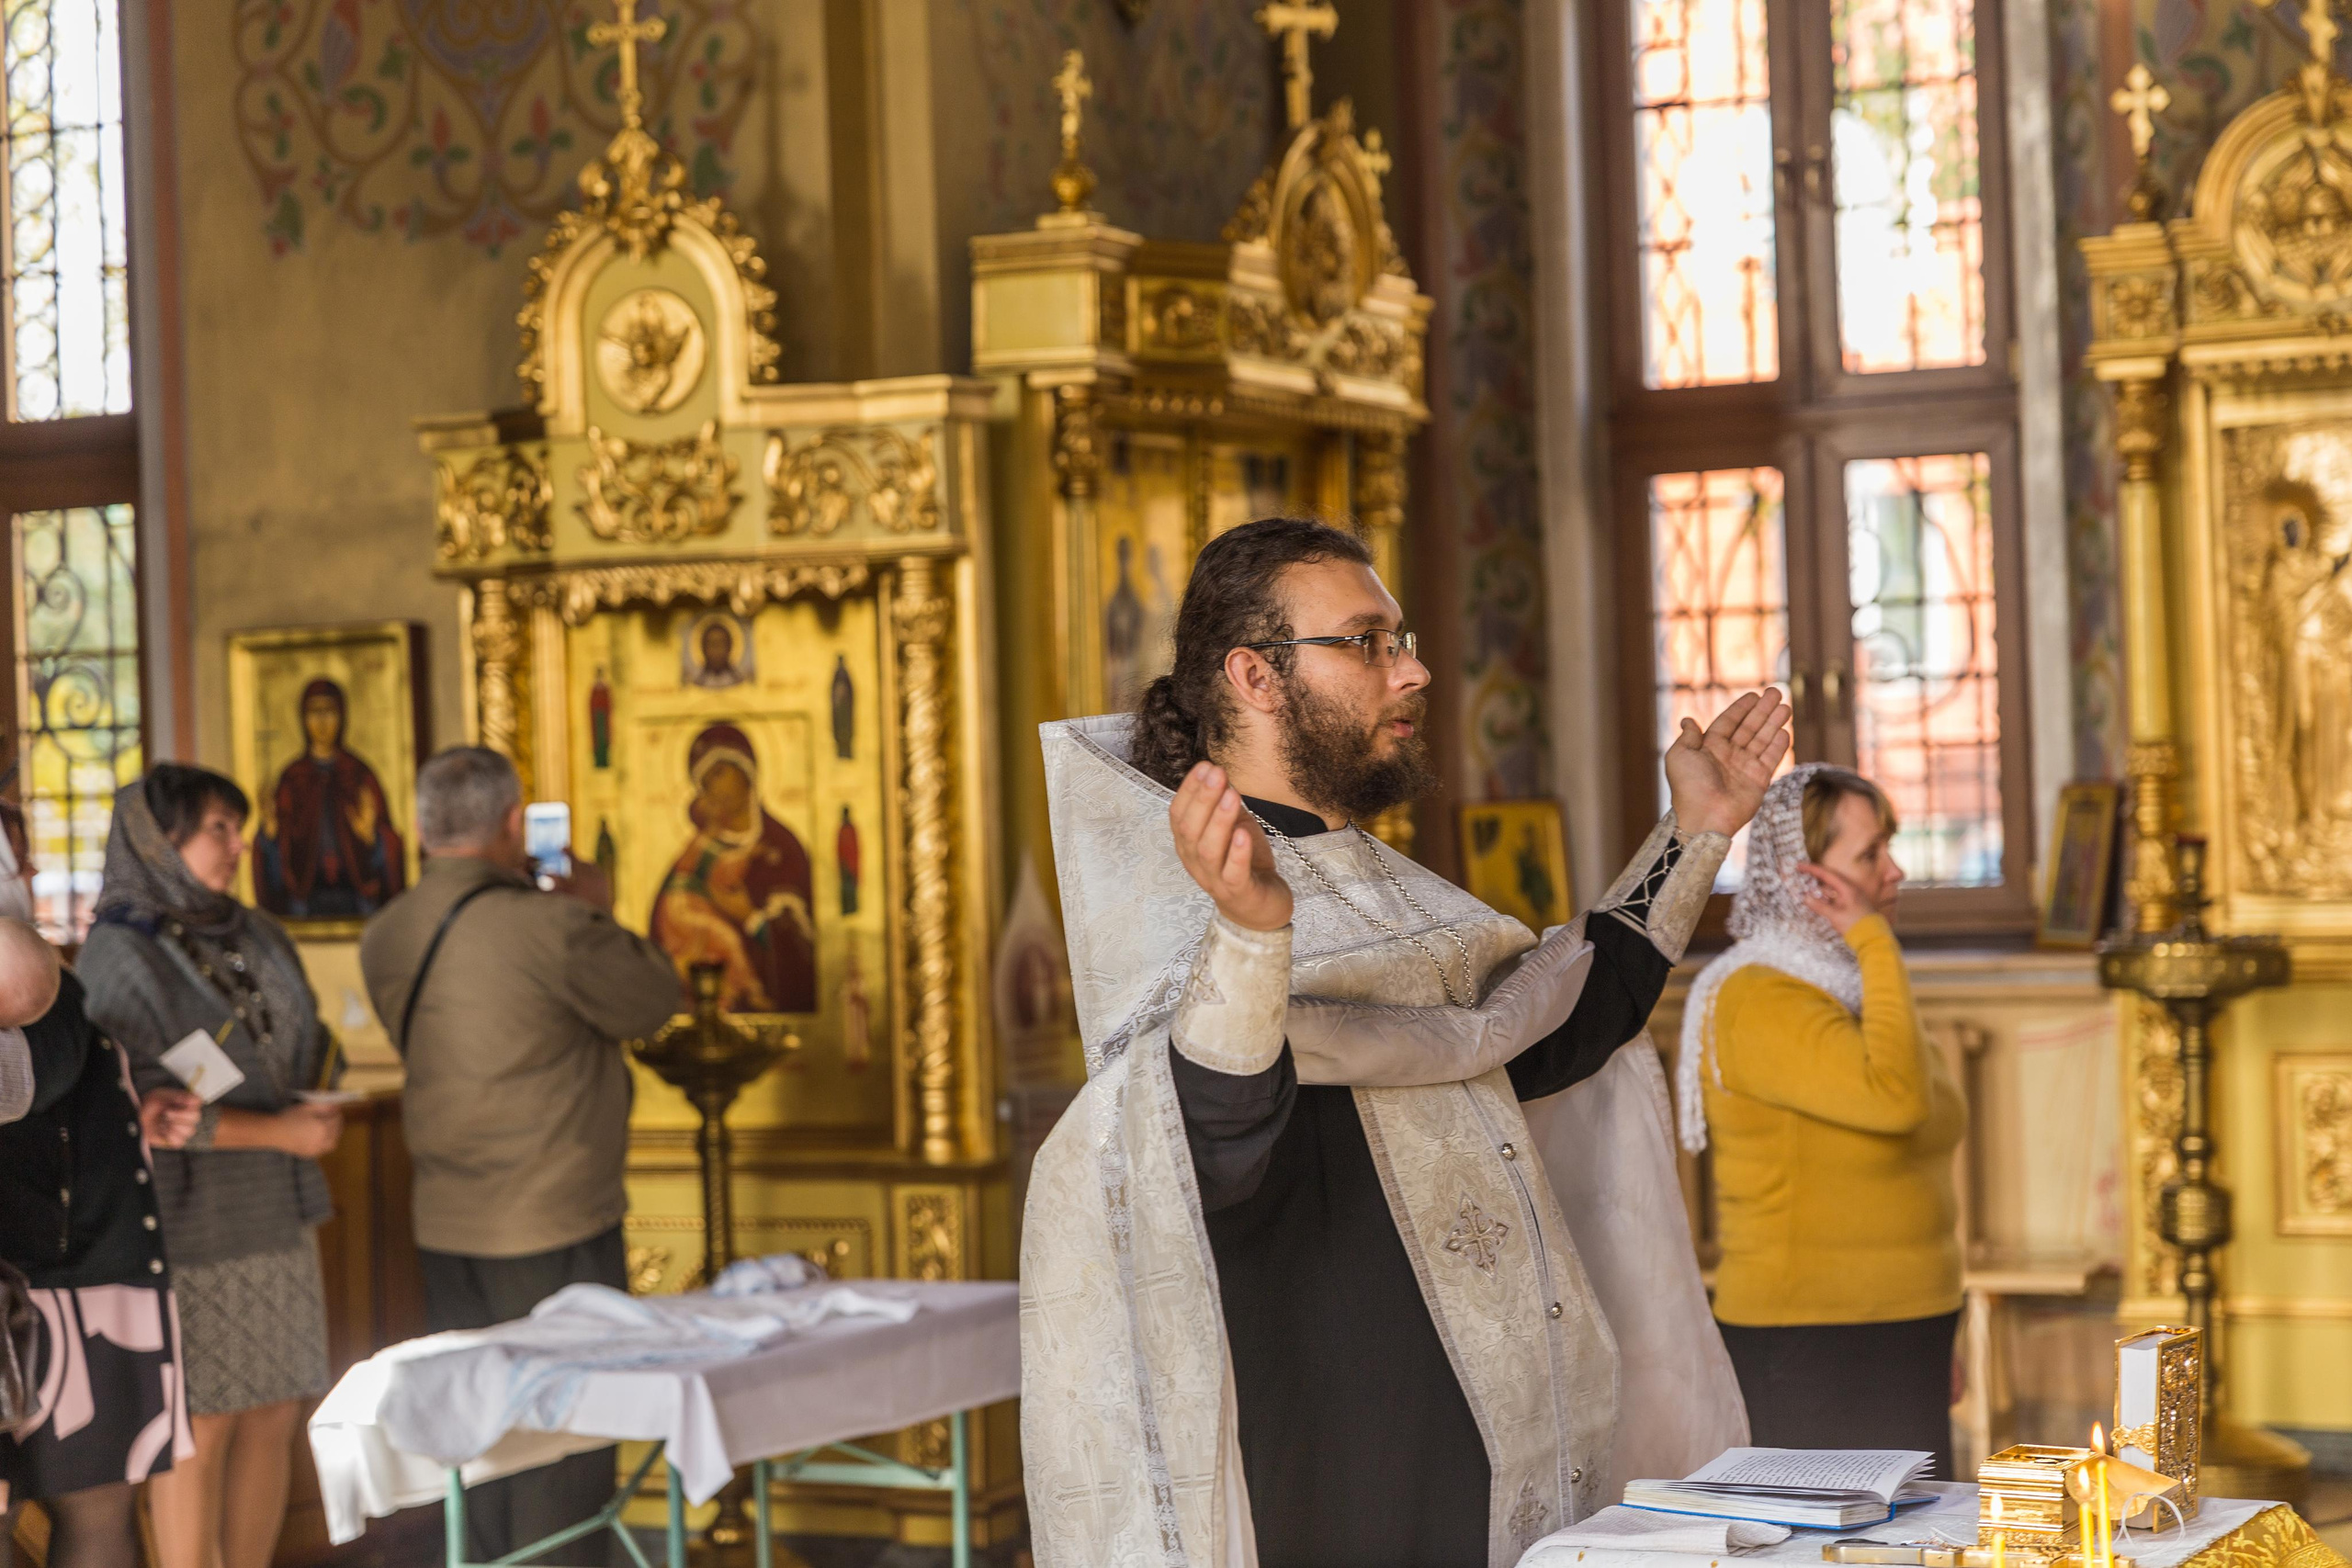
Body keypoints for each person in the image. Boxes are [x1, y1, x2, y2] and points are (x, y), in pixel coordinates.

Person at [1021, 518, 1781, 1568]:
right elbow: (1203, 1143)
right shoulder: (1181, 903)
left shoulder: (1380, 887)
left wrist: (1696, 828)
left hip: (1502, 1454)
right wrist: (1250, 937)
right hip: (1342, 1466)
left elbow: (1546, 1031)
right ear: (1255, 675)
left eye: (1402, 639)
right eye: (1368, 642)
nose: (1413, 671)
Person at [358, 748, 680, 1566]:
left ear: (422, 824)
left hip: (446, 1222)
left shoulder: (387, 931)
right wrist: (598, 909)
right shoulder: (552, 926)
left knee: (479, 1434)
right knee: (562, 1447)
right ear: (512, 823)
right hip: (551, 1220)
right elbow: (653, 999)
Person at [77, 766, 345, 1568]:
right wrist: (281, 1130)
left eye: (240, 827)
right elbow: (130, 1106)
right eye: (217, 829)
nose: (238, 845)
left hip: (277, 1206)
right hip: (189, 1222)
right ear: (160, 841)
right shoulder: (119, 953)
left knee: (274, 1412)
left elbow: (306, 1031)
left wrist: (315, 1092)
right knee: (203, 1424)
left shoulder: (255, 931)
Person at [1677, 764, 1965, 1477]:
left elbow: (1926, 1128)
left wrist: (1939, 1335)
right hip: (1811, 1341)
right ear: (1804, 877)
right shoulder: (1755, 995)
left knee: (1915, 1535)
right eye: (1870, 854)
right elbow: (1897, 1099)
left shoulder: (1851, 987)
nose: (1895, 870)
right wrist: (1872, 939)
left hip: (1903, 1328)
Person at [1, 827, 201, 1568]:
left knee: (98, 1508)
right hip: (51, 1282)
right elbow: (32, 1076)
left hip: (85, 1270)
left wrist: (130, 1117)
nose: (28, 868)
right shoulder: (32, 970)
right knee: (75, 1515)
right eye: (14, 855)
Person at [648, 723, 815, 1012]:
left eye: (719, 773)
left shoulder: (784, 850)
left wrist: (751, 918)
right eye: (704, 781)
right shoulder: (697, 852)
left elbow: (808, 950)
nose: (712, 787)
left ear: (746, 773)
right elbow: (659, 943)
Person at [253, 677, 407, 919]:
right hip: (303, 901)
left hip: (358, 898)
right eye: (314, 712)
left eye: (330, 711)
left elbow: (390, 846)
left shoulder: (359, 774)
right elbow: (274, 852)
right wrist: (269, 835)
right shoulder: (293, 778)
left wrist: (372, 837)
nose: (322, 721)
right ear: (303, 718)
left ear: (342, 716)